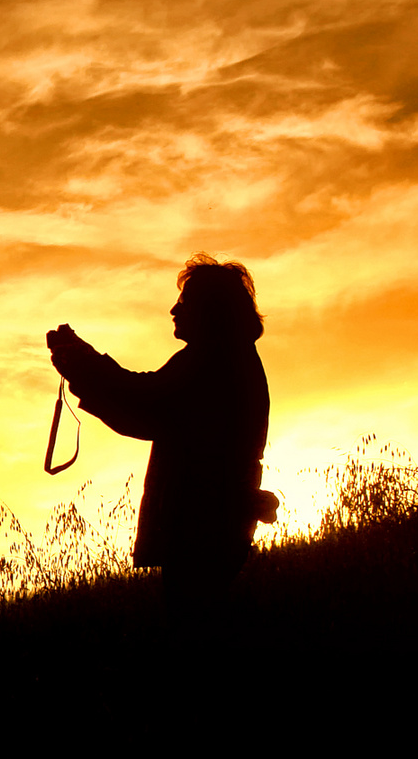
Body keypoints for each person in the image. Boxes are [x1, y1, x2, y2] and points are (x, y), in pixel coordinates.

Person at [47, 253, 271, 616]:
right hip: (215, 522)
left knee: (193, 629)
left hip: (204, 525)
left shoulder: (212, 361)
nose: (174, 309)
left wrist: (82, 362)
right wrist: (82, 364)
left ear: (210, 311)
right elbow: (146, 407)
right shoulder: (225, 358)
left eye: (185, 302)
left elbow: (145, 404)